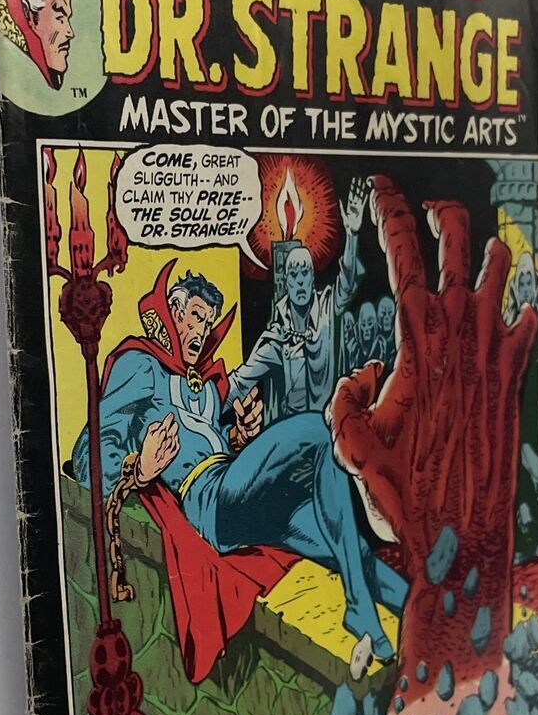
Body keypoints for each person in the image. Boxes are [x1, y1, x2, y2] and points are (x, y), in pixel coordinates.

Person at [74, 260, 406, 684]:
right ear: (173, 311)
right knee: (316, 429)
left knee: (345, 545)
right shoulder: (141, 365)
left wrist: (239, 436)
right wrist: (139, 468)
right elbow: (86, 456)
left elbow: (208, 435)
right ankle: (359, 607)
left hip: (241, 497)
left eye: (207, 321)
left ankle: (416, 606)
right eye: (195, 316)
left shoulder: (200, 385)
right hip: (209, 504)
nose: (201, 329)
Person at [228, 177, 368, 422]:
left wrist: (353, 233)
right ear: (286, 282)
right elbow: (241, 381)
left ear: (312, 278)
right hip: (293, 430)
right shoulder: (277, 336)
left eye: (305, 273)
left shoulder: (327, 308)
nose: (300, 281)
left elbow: (347, 283)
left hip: (329, 426)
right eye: (294, 275)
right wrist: (203, 404)